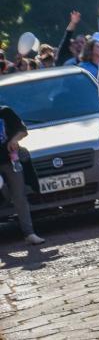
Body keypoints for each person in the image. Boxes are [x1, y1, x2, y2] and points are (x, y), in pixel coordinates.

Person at [1, 105, 45, 246]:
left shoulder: (5, 112)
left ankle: (29, 233)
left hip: (10, 160)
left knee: (19, 197)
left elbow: (22, 130)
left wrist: (14, 140)